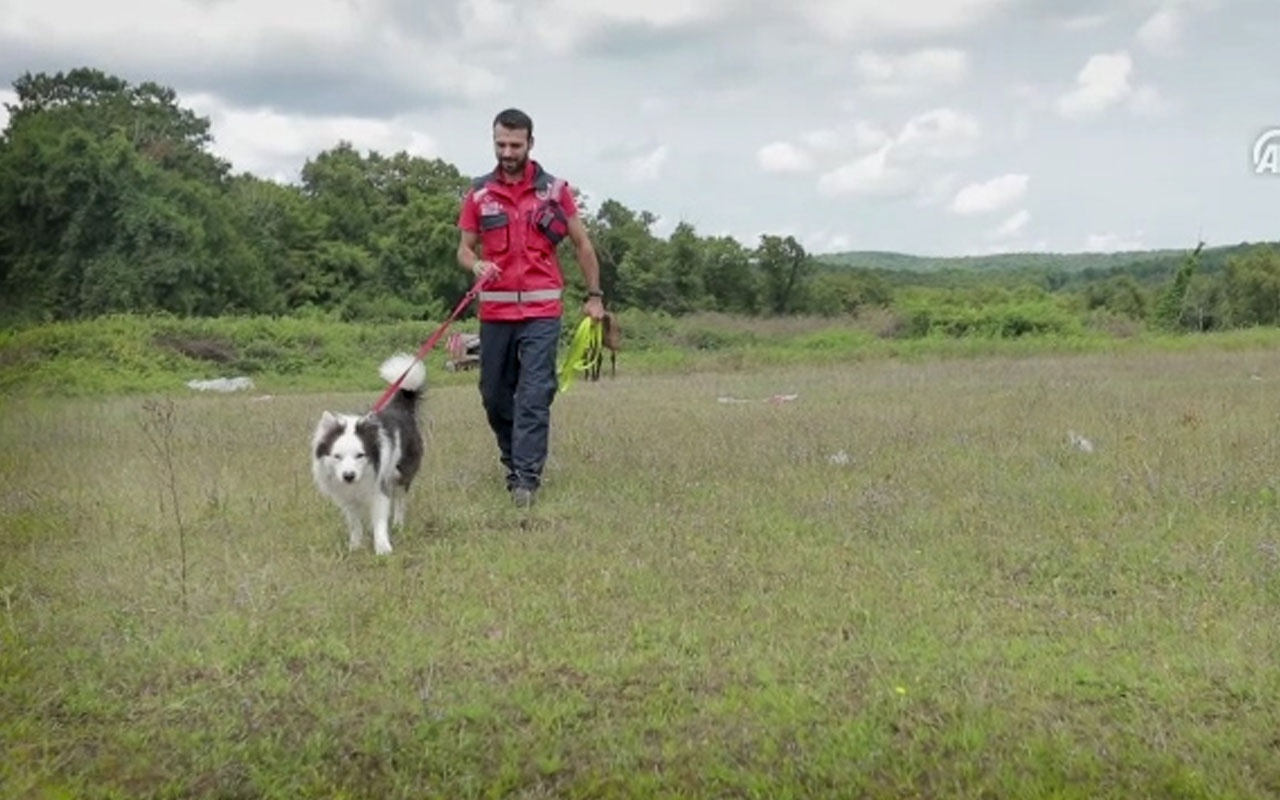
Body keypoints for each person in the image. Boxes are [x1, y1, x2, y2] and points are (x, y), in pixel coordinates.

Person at [456, 107, 606, 508]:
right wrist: (477, 264)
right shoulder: (478, 194)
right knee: (494, 395)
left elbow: (582, 245)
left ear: (530, 144)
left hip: (542, 312)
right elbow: (464, 249)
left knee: (535, 393)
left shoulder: (555, 192)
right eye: (500, 144)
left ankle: (526, 478)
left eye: (514, 145)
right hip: (495, 314)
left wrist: (594, 297)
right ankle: (512, 459)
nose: (507, 152)